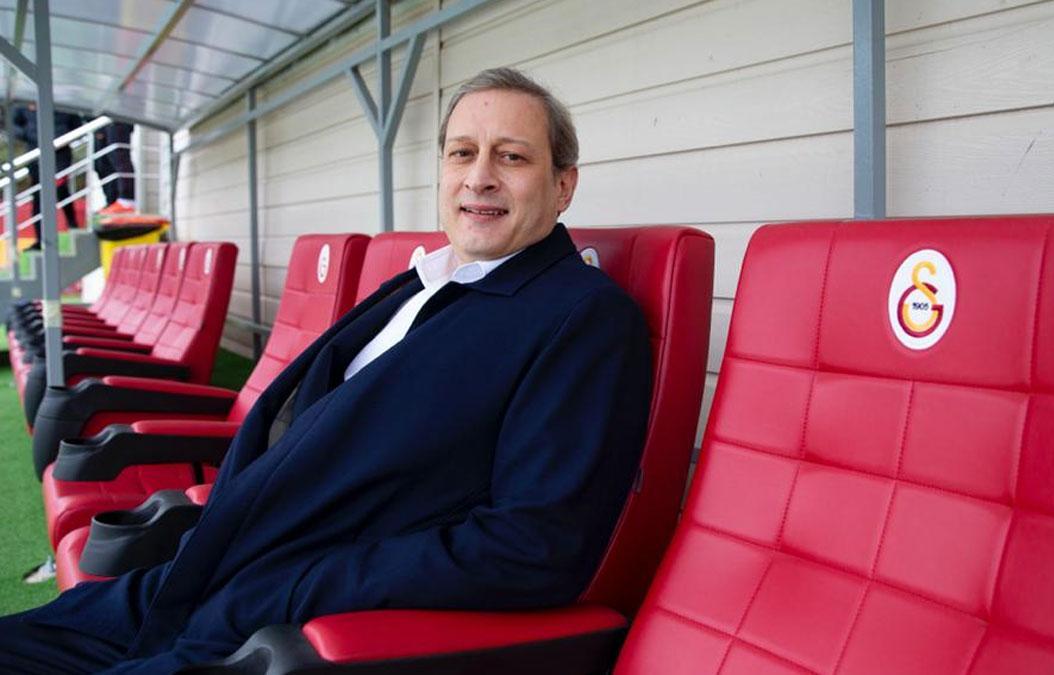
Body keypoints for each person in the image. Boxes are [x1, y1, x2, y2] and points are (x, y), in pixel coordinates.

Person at [0, 68, 652, 673]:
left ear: (563, 185)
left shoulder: (580, 316)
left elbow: (532, 546)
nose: (479, 176)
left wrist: (300, 584)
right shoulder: (422, 281)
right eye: (461, 152)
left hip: (279, 619)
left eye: (511, 156)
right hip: (201, 567)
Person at [11, 105, 84, 250]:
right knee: (38, 196)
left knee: (60, 188)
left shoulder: (65, 101)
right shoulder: (24, 101)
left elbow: (76, 125)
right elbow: (14, 125)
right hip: (35, 152)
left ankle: (72, 224)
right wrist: (28, 134)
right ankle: (40, 239)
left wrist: (62, 136)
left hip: (60, 152)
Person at [93, 122, 136, 215]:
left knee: (119, 157)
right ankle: (113, 201)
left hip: (117, 119)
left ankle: (127, 201)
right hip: (102, 122)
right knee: (102, 164)